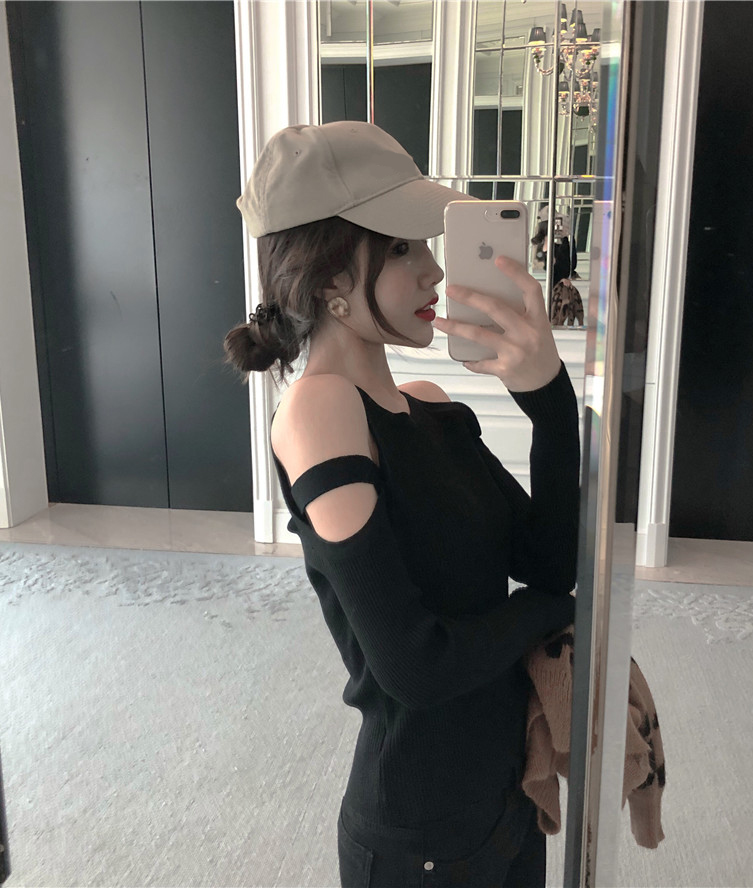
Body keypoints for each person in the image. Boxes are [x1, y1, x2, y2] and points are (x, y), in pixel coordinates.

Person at [224, 121, 580, 887]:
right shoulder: (320, 411)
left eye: (425, 244)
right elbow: (414, 665)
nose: (434, 270)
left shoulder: (431, 406)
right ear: (328, 277)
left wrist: (549, 400)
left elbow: (551, 562)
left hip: (511, 795)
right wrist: (550, 613)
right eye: (399, 248)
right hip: (421, 838)